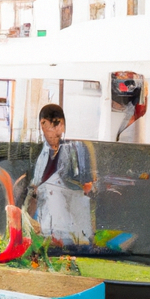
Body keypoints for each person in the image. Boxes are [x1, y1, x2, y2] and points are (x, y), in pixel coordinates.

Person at [24, 103, 95, 248]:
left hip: (74, 233)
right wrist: (26, 224)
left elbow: (88, 191)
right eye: (54, 124)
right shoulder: (39, 155)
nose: (59, 130)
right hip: (47, 231)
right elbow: (34, 192)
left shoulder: (76, 150)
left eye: (61, 125)